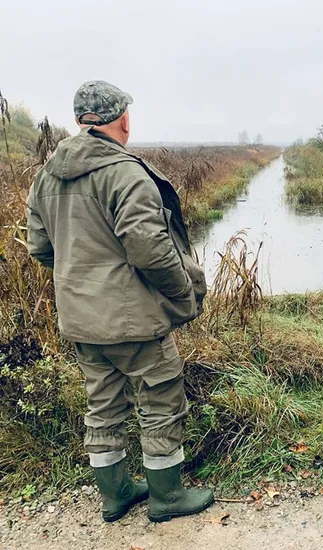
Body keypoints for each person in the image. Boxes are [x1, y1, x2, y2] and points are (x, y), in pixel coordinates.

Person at [26, 80, 214, 523]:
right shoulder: (125, 172)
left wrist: (80, 274)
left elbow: (40, 246)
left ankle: (115, 495)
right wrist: (181, 292)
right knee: (161, 400)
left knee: (103, 405)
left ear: (79, 121)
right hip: (133, 320)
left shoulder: (47, 174)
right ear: (123, 119)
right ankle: (166, 497)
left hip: (80, 319)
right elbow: (149, 247)